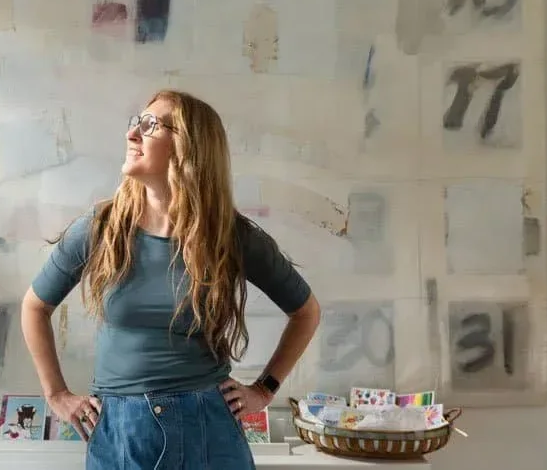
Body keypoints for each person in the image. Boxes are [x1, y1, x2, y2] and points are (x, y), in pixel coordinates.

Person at [20, 89, 322, 469]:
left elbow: (306, 312)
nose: (133, 135)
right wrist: (56, 394)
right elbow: (35, 306)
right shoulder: (101, 230)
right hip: (121, 428)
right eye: (136, 123)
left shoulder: (232, 238)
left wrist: (264, 390)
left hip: (207, 422)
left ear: (189, 148)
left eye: (150, 125)